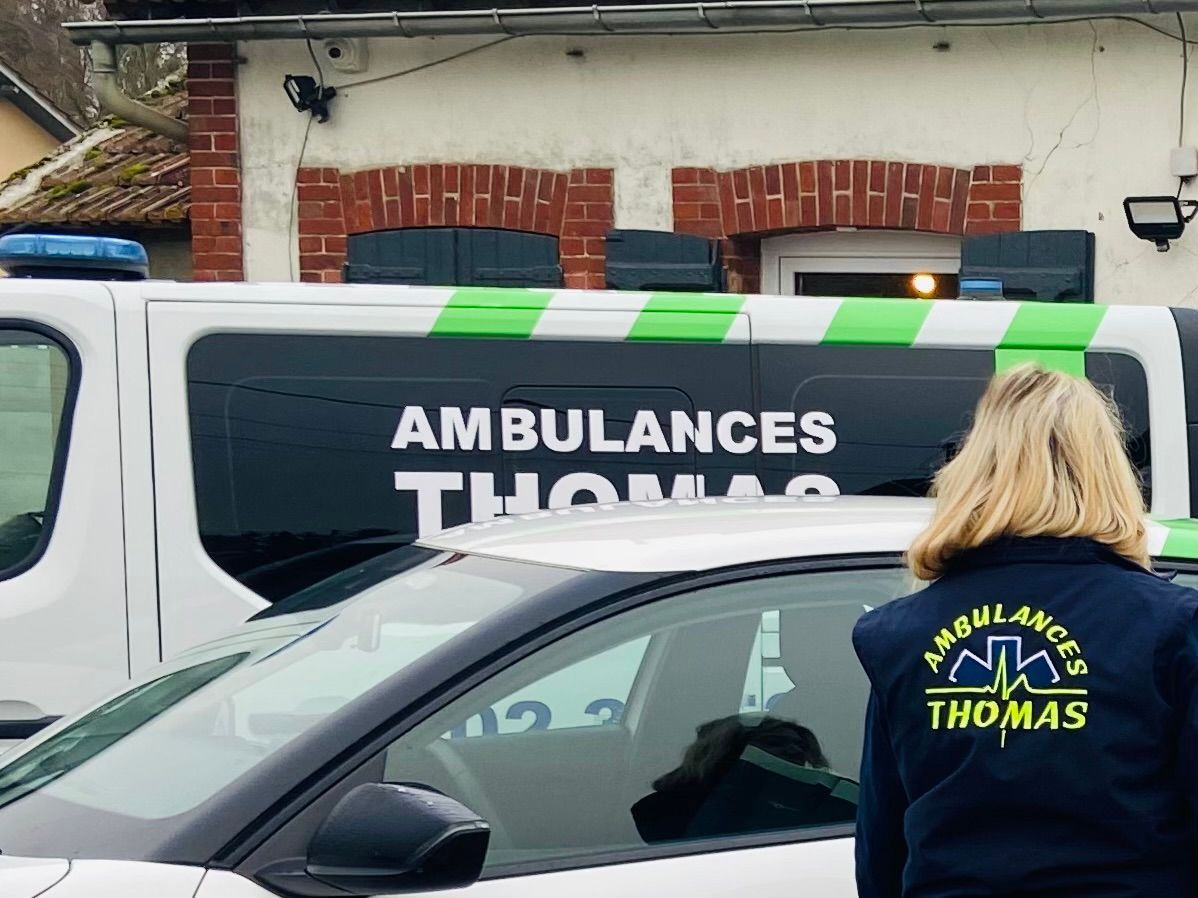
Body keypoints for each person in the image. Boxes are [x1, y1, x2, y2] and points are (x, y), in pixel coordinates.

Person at [852, 363, 1198, 898]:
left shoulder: (900, 636)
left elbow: (880, 857)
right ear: (1108, 472)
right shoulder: (1170, 627)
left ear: (973, 469)